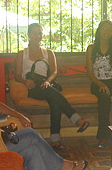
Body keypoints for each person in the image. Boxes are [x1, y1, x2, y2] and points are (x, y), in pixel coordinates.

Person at [15, 23, 89, 151]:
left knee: (55, 102)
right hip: (32, 87)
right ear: (28, 35)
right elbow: (16, 75)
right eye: (34, 33)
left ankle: (56, 140)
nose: (38, 36)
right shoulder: (22, 54)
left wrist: (48, 81)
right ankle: (76, 119)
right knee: (53, 96)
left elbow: (54, 72)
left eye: (40, 33)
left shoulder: (48, 53)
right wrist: (25, 82)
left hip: (45, 85)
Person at [86, 20, 112, 149]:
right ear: (99, 31)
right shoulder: (92, 48)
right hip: (98, 82)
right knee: (104, 99)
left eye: (109, 30)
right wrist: (100, 84)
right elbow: (89, 71)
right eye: (104, 29)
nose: (106, 32)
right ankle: (103, 135)